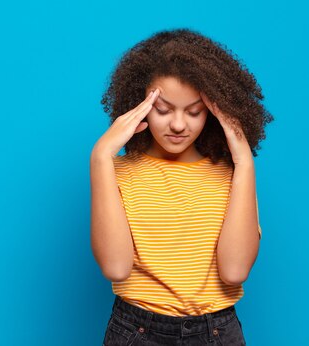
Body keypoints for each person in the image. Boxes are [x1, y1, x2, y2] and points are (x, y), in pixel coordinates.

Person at [90, 28, 273, 346]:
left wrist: (244, 161)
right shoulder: (116, 173)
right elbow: (116, 267)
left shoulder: (232, 176)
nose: (177, 124)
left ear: (215, 113)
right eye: (163, 110)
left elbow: (234, 271)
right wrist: (101, 157)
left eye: (193, 112)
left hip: (216, 332)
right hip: (137, 331)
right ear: (139, 106)